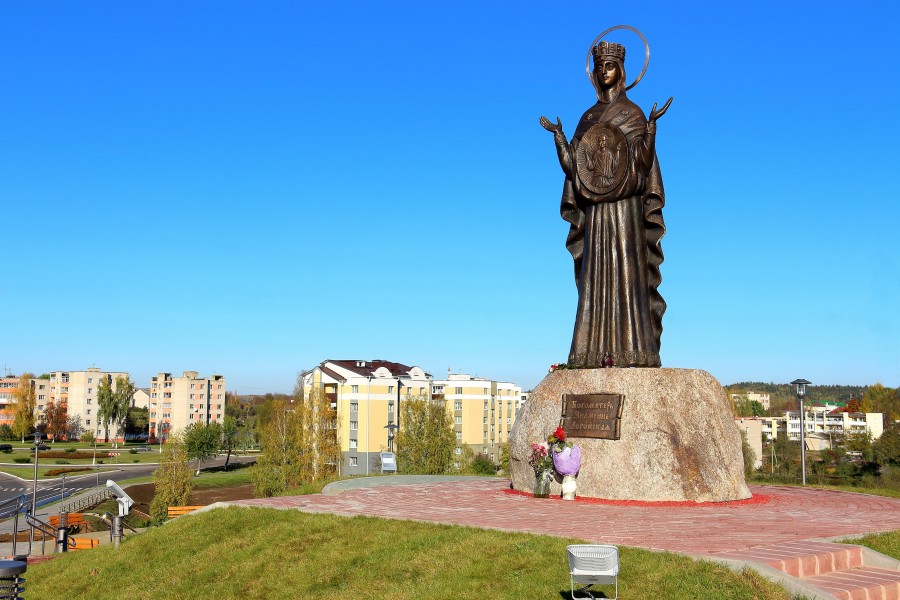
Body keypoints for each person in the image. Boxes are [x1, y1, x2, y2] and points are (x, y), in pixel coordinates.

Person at [540, 40, 672, 368]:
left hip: (626, 210)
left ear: (621, 70)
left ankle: (634, 349)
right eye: (600, 66)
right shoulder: (587, 117)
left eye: (610, 65)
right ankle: (590, 352)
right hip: (597, 214)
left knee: (628, 274)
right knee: (594, 278)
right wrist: (558, 136)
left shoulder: (634, 114)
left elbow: (642, 162)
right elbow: (575, 167)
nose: (604, 71)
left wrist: (652, 128)